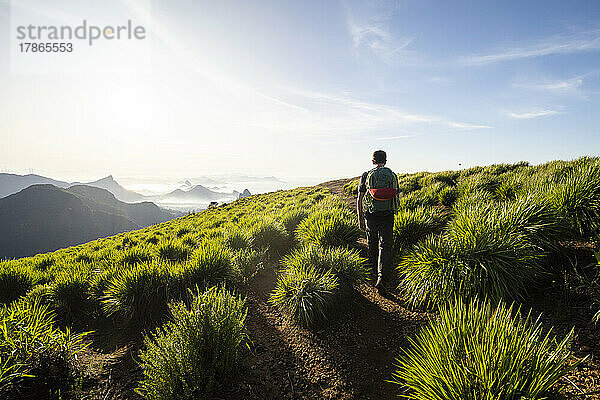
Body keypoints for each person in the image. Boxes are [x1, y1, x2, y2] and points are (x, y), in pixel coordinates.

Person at [356, 150, 399, 295]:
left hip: (371, 215)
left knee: (372, 243)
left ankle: (373, 273)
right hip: (388, 215)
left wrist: (360, 219)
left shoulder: (366, 175)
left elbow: (360, 199)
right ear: (385, 161)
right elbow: (395, 195)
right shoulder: (392, 175)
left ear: (373, 161)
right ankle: (382, 278)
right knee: (385, 245)